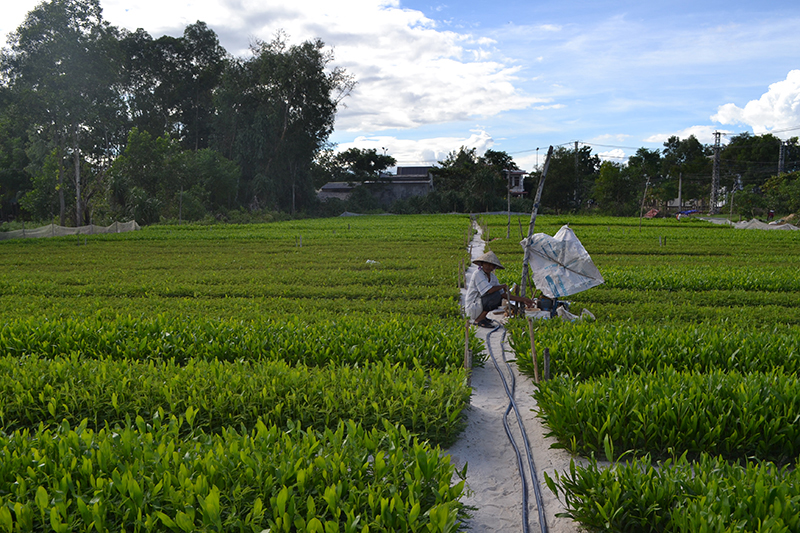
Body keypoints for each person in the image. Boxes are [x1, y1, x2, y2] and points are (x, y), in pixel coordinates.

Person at [465, 251, 533, 328]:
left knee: (498, 296)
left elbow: (504, 295)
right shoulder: (478, 274)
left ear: (494, 267)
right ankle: (479, 320)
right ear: (482, 264)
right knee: (495, 296)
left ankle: (483, 317)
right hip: (473, 307)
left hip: (480, 305)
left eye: (491, 265)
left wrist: (523, 299)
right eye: (486, 263)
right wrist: (502, 286)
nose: (488, 266)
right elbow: (489, 290)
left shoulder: (493, 277)